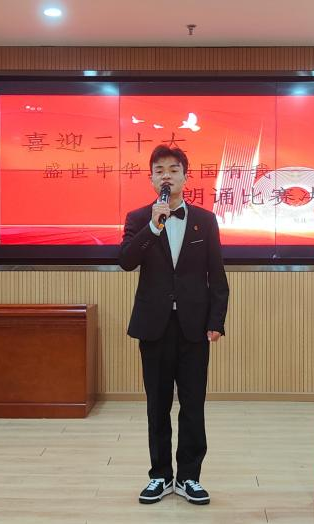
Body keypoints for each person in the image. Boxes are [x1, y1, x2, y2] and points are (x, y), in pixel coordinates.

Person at [117, 145, 229, 506]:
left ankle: (189, 477)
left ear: (185, 176)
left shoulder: (205, 220)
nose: (167, 175)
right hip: (154, 325)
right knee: (158, 405)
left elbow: (217, 276)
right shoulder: (138, 218)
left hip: (194, 326)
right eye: (160, 170)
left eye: (173, 169)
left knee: (193, 405)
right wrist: (153, 226)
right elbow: (126, 261)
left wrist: (216, 320)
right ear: (152, 179)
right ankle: (160, 476)